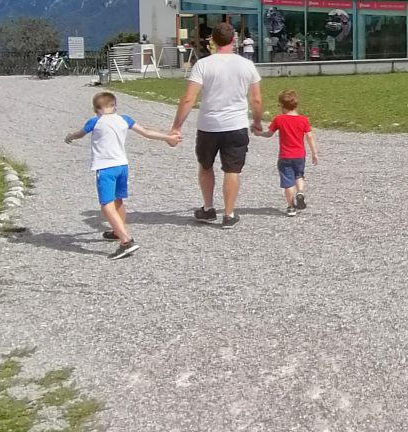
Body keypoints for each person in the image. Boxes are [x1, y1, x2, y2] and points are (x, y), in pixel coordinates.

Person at [65, 91, 180, 259]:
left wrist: (70, 136)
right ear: (115, 106)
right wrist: (168, 138)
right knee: (118, 200)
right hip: (122, 166)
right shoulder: (124, 119)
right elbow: (146, 132)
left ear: (95, 109)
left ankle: (126, 241)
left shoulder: (95, 121)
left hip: (105, 168)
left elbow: (80, 133)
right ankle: (118, 231)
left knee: (106, 204)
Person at [169, 22, 262, 227]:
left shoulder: (203, 64)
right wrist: (256, 122)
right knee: (232, 170)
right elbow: (256, 99)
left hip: (209, 125)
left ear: (213, 40)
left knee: (205, 166)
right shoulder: (247, 65)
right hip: (236, 125)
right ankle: (228, 214)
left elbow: (188, 99)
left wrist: (177, 126)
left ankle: (208, 207)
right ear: (234, 40)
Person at [254, 89, 318, 216]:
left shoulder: (279, 119)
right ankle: (300, 191)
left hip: (285, 156)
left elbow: (269, 134)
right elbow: (310, 137)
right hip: (300, 155)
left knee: (288, 182)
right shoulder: (303, 120)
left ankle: (290, 207)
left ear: (283, 106)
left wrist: (259, 133)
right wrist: (314, 153)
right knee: (299, 175)